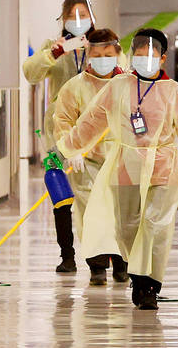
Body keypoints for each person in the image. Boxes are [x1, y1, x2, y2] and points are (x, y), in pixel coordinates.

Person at [56, 28, 178, 310]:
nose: (146, 58)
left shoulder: (175, 93)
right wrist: (65, 148)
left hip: (162, 167)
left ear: (163, 58)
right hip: (125, 167)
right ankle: (138, 274)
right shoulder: (117, 87)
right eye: (140, 53)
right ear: (132, 55)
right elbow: (91, 122)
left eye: (152, 53)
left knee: (155, 226)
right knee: (128, 228)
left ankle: (148, 284)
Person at [23, 0, 96, 273]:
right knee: (60, 191)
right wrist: (55, 52)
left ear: (92, 17)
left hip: (94, 134)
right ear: (63, 19)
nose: (78, 22)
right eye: (72, 16)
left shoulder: (102, 44)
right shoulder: (52, 47)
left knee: (94, 194)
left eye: (83, 15)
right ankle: (67, 254)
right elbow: (31, 73)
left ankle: (100, 256)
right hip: (57, 134)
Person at [53, 28, 128, 286]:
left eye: (108, 54)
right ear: (88, 56)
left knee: (122, 212)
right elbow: (63, 120)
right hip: (88, 161)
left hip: (122, 159)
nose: (103, 59)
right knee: (91, 215)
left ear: (118, 54)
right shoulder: (74, 87)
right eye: (97, 54)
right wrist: (71, 150)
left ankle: (122, 264)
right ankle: (97, 266)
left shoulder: (130, 86)